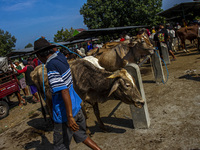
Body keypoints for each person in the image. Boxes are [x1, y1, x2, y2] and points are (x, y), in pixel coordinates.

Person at [33, 37, 101, 150]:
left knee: (60, 147)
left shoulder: (51, 66)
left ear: (39, 56)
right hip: (77, 108)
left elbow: (63, 90)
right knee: (82, 136)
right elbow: (55, 49)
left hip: (65, 115)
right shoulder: (60, 57)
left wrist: (69, 117)